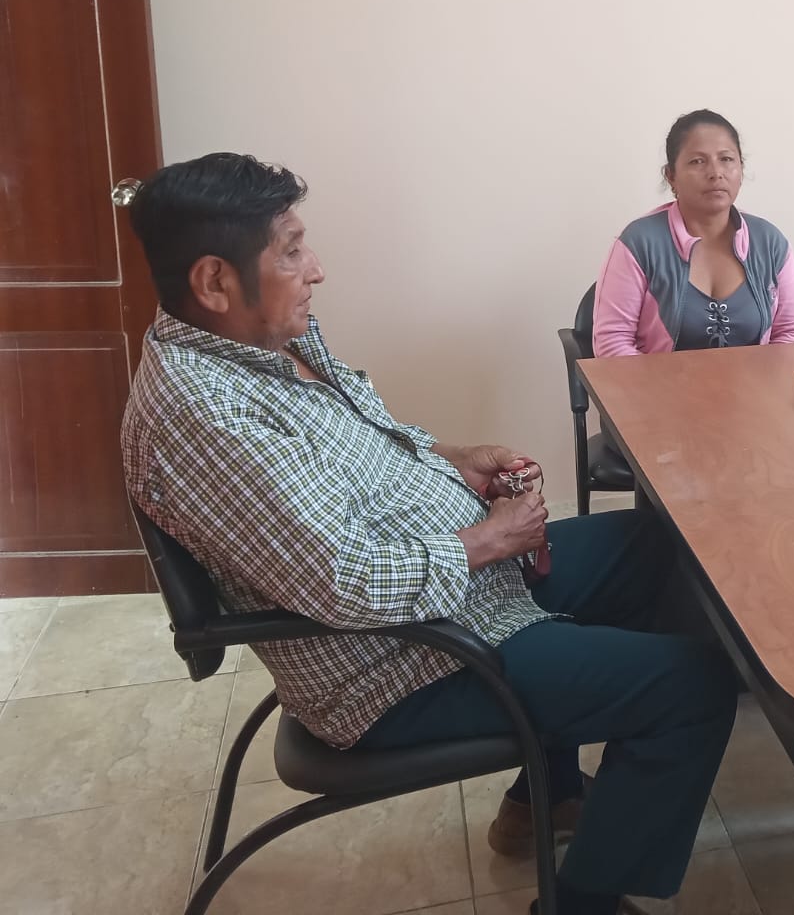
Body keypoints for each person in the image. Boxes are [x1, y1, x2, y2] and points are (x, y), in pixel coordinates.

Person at [119, 152, 735, 915]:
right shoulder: (206, 416)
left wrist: (454, 460)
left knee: (661, 546)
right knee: (691, 687)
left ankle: (548, 797)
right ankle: (580, 906)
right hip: (400, 663)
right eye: (291, 251)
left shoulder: (261, 348)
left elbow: (365, 448)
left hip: (456, 599)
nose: (316, 270)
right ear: (214, 281)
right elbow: (343, 582)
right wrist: (491, 541)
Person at [593, 109, 794, 356]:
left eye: (726, 159)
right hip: (658, 381)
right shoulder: (639, 243)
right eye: (697, 161)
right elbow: (612, 344)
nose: (716, 173)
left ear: (741, 168)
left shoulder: (769, 242)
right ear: (671, 176)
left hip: (756, 381)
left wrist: (764, 378)